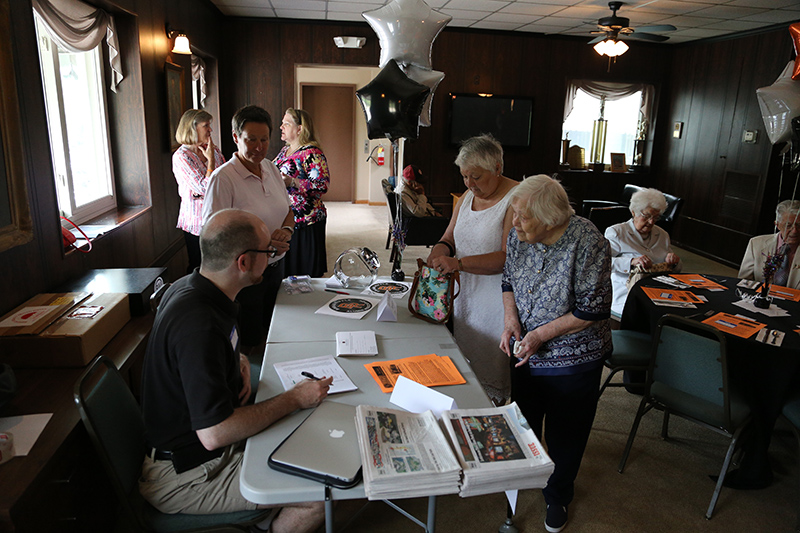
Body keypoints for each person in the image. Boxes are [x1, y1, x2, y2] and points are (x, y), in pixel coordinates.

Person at [139, 209, 331, 533]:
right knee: (319, 493)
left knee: (302, 438)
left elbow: (206, 352)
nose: (272, 257)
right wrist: (293, 399)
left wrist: (237, 358)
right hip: (186, 474)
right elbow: (215, 434)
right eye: (267, 251)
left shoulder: (196, 287)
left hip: (195, 451)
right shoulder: (198, 326)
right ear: (243, 262)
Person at [499, 175, 612, 533]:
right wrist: (510, 321)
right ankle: (523, 475)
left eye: (522, 216)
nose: (514, 222)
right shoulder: (519, 236)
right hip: (525, 351)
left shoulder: (588, 241)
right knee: (524, 420)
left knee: (566, 433)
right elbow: (508, 281)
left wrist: (540, 335)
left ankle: (558, 495)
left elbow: (593, 310)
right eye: (514, 214)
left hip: (574, 358)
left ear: (549, 219)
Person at [427, 134, 517, 405]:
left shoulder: (516, 198)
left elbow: (507, 258)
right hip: (466, 295)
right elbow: (449, 238)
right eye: (465, 176)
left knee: (493, 368)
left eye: (476, 176)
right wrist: (438, 252)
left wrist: (460, 264)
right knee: (465, 363)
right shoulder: (467, 196)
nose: (469, 184)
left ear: (498, 168)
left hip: (497, 299)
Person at [202, 105, 295, 353]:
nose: (259, 146)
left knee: (276, 329)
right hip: (243, 276)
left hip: (277, 265)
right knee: (251, 340)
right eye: (251, 139)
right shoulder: (223, 178)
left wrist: (287, 231)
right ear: (236, 138)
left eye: (264, 139)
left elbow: (288, 210)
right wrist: (260, 247)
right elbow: (213, 237)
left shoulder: (271, 168)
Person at [604, 188, 682, 317]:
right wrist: (631, 262)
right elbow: (603, 262)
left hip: (658, 291)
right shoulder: (617, 232)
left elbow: (677, 268)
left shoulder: (662, 235)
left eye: (656, 217)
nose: (651, 222)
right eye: (647, 216)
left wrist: (674, 262)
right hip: (627, 291)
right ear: (634, 212)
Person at [274, 108, 329, 278]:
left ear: (300, 129)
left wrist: (292, 182)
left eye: (286, 124)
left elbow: (322, 185)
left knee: (306, 273)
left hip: (307, 221)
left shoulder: (312, 153)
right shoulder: (285, 150)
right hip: (289, 218)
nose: (281, 127)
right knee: (290, 270)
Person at [173, 109, 225, 272]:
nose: (210, 129)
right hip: (197, 222)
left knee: (219, 265)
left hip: (218, 216)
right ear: (192, 128)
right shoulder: (182, 156)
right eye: (206, 126)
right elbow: (204, 187)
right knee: (199, 266)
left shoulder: (213, 150)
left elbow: (224, 177)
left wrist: (204, 190)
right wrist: (210, 163)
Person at [739, 199, 800, 289]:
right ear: (777, 225)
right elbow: (744, 281)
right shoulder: (756, 244)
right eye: (788, 225)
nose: (794, 231)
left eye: (799, 225)